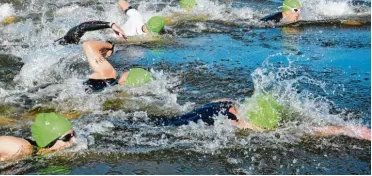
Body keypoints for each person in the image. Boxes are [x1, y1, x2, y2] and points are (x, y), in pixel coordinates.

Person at [147, 93, 371, 141]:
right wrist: (343, 129)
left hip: (172, 118)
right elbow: (303, 131)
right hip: (170, 129)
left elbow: (215, 99)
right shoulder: (240, 125)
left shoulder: (229, 104)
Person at [0, 113, 76, 163]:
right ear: (50, 141)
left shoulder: (41, 153)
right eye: (67, 138)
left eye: (73, 134)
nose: (74, 140)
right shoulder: (20, 147)